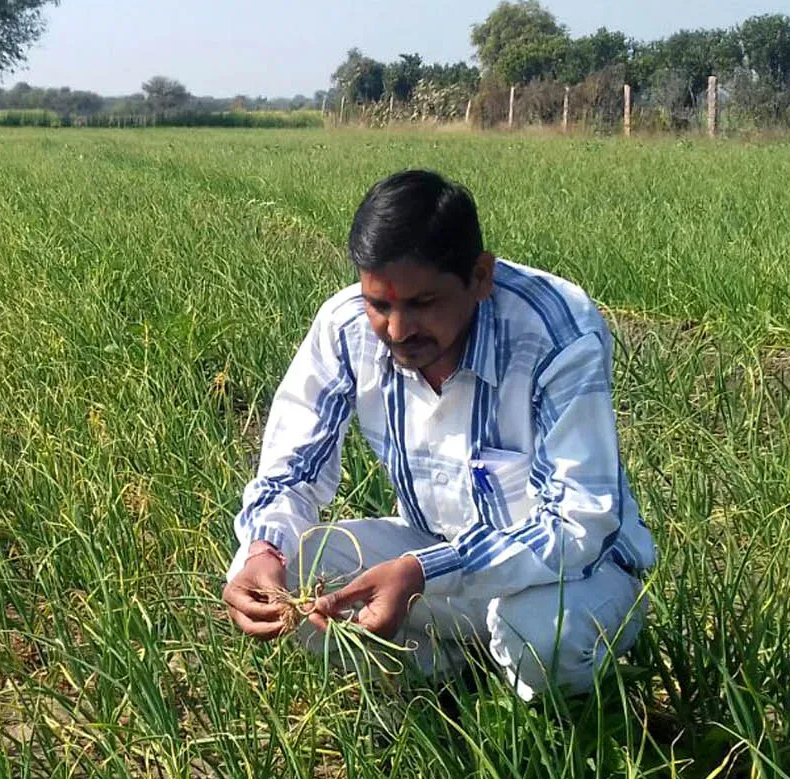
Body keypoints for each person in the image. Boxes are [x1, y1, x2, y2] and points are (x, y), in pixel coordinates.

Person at [221, 170, 655, 701]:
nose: (397, 330)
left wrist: (423, 571)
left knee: (542, 636)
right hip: (432, 556)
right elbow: (291, 470)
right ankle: (442, 684)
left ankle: (568, 719)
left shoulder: (554, 332)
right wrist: (263, 552)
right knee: (286, 576)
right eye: (380, 305)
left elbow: (579, 521)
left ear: (480, 277)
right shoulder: (346, 327)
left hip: (573, 574)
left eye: (423, 303)